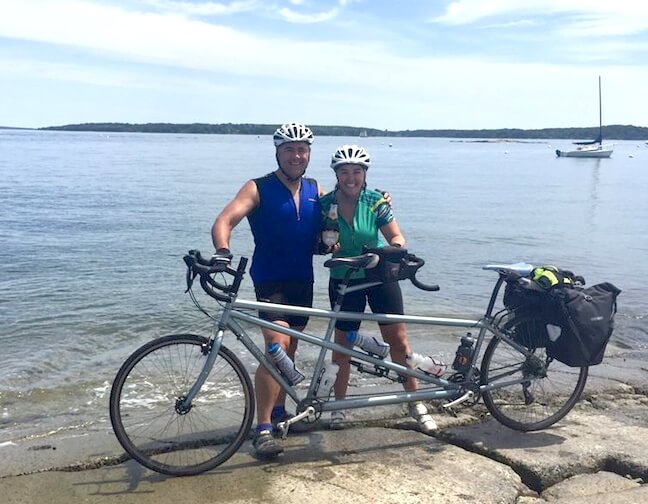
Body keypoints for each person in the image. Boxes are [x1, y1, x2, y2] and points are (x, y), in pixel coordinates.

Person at [211, 123, 323, 458]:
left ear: (309, 154)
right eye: (289, 149)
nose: (296, 155)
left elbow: (340, 213)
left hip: (303, 280)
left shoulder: (316, 188)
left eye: (302, 149)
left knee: (291, 350)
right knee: (276, 347)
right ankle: (261, 429)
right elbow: (224, 220)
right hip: (270, 279)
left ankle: (280, 414)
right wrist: (222, 251)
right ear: (278, 152)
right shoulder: (258, 187)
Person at [319, 144, 445, 434]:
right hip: (343, 278)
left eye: (357, 172)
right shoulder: (325, 204)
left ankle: (416, 403)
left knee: (399, 342)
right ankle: (339, 407)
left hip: (379, 276)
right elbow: (317, 241)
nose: (351, 178)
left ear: (365, 174)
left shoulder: (376, 201)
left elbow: (396, 235)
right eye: (344, 172)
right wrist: (324, 246)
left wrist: (394, 251)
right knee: (342, 346)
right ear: (336, 174)